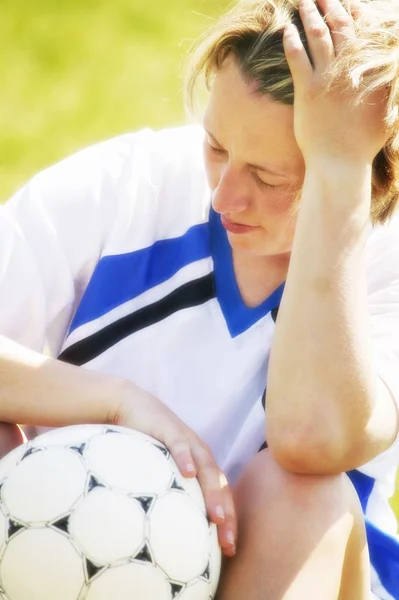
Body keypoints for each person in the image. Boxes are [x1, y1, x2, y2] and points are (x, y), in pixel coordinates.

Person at [1, 0, 399, 597]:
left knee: (302, 491)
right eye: (215, 146)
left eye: (268, 179)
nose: (224, 197)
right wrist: (117, 403)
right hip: (75, 560)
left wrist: (337, 177)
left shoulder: (382, 259)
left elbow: (310, 437)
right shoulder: (130, 185)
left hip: (285, 578)